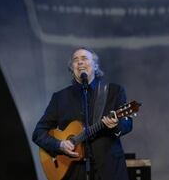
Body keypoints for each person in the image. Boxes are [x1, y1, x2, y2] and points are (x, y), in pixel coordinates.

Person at [32, 47, 132, 180]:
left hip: (109, 170)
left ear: (95, 66)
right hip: (73, 173)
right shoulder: (60, 98)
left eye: (84, 58)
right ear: (72, 69)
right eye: (75, 60)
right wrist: (59, 145)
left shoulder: (114, 92)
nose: (80, 62)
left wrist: (115, 125)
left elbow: (127, 124)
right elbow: (38, 133)